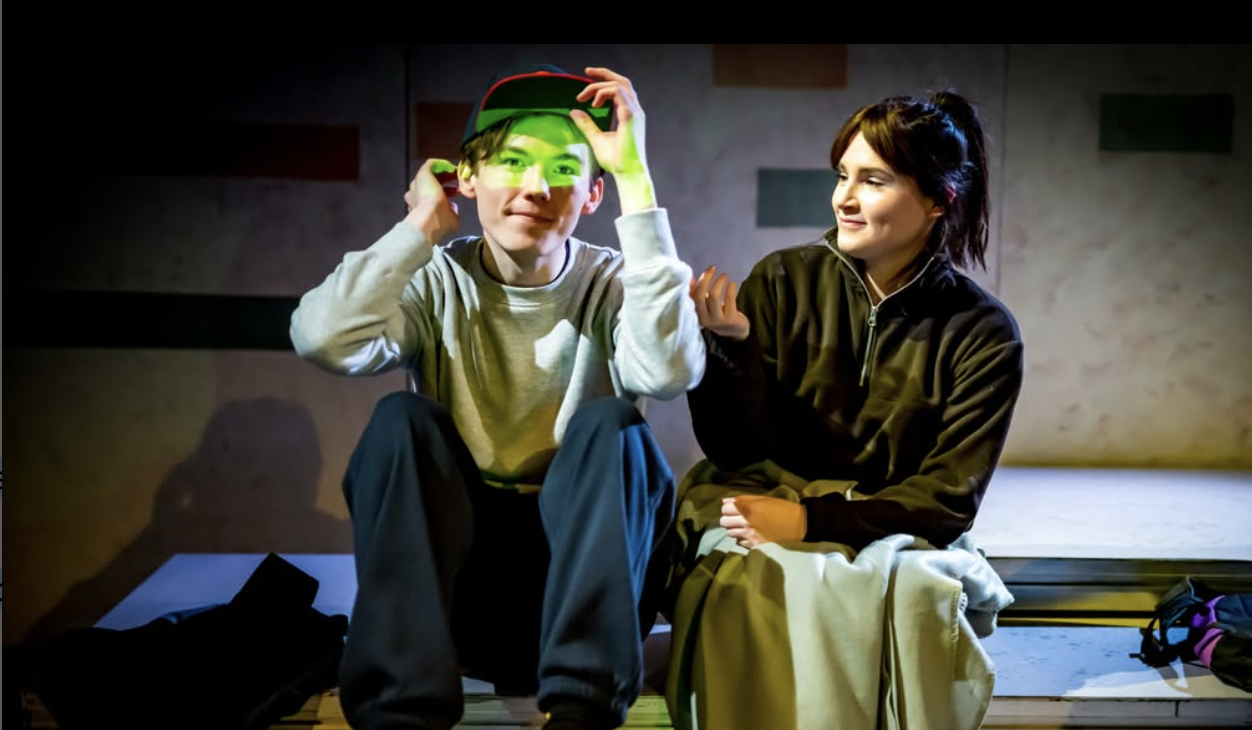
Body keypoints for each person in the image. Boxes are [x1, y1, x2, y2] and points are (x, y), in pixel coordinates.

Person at [290, 64, 705, 730]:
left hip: (587, 591)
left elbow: (668, 372)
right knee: (401, 419)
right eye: (513, 162)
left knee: (615, 427)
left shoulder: (615, 282)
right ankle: (400, 711)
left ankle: (583, 712)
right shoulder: (437, 278)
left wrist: (636, 179)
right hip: (462, 596)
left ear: (592, 194)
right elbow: (321, 339)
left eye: (564, 170)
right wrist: (417, 228)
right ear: (466, 177)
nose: (536, 187)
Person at [664, 90, 1025, 730]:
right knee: (749, 583)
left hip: (892, 519)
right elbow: (736, 453)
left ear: (939, 200)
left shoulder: (983, 332)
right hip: (766, 492)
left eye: (873, 181)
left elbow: (946, 500)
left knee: (917, 595)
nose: (844, 199)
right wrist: (730, 354)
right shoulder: (780, 281)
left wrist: (810, 521)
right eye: (842, 176)